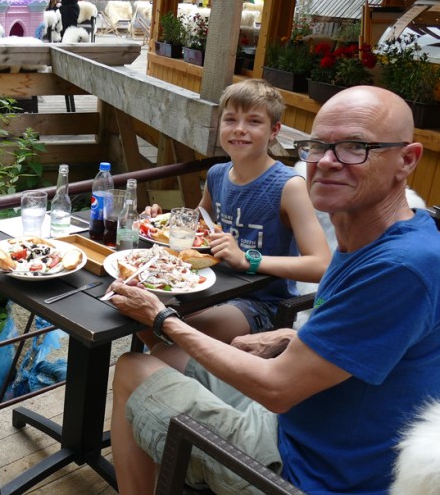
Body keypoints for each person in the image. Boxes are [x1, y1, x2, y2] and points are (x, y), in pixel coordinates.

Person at [108, 85, 440, 495]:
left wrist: (163, 317)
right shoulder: (377, 237)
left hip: (306, 469)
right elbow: (374, 336)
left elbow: (277, 390)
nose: (328, 162)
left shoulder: (400, 267)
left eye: (356, 147)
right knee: (165, 357)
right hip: (309, 417)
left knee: (132, 369)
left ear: (407, 160)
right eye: (319, 146)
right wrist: (290, 335)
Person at [137, 79, 330, 360]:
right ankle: (179, 371)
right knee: (132, 307)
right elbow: (195, 228)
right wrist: (158, 223)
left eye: (253, 121)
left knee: (169, 335)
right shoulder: (216, 175)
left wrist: (247, 260)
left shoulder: (289, 186)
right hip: (209, 288)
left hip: (261, 302)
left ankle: (174, 369)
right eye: (231, 119)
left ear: (274, 131)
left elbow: (321, 265)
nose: (239, 129)